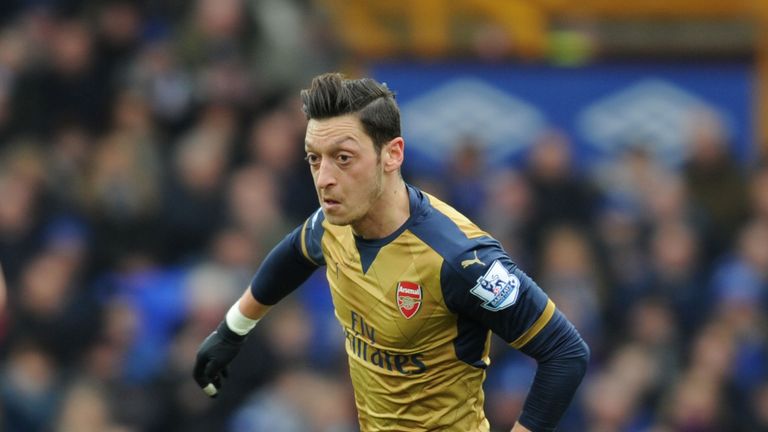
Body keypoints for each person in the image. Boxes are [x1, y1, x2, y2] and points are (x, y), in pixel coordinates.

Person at [193, 73, 589, 432]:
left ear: (392, 154)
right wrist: (233, 329)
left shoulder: (459, 259)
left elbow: (565, 353)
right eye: (315, 159)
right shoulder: (334, 223)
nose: (325, 178)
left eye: (343, 158)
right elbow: (294, 253)